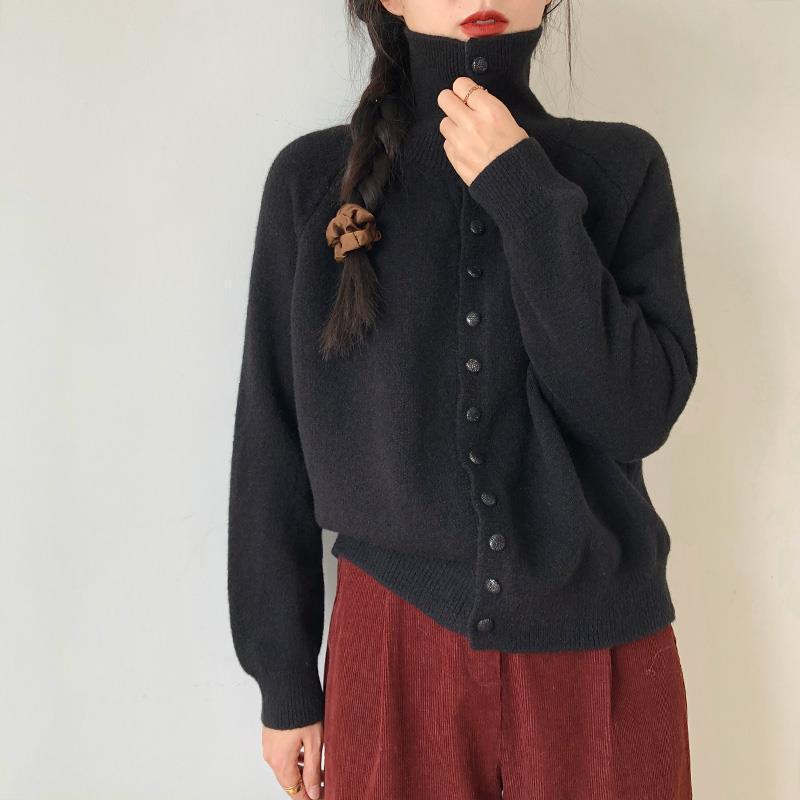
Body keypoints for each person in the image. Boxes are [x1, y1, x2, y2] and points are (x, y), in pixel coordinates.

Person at [227, 1, 698, 798]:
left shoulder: (621, 169)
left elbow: (634, 414)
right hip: (391, 651)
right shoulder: (313, 184)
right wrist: (285, 680)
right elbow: (272, 443)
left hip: (600, 655)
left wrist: (526, 193)